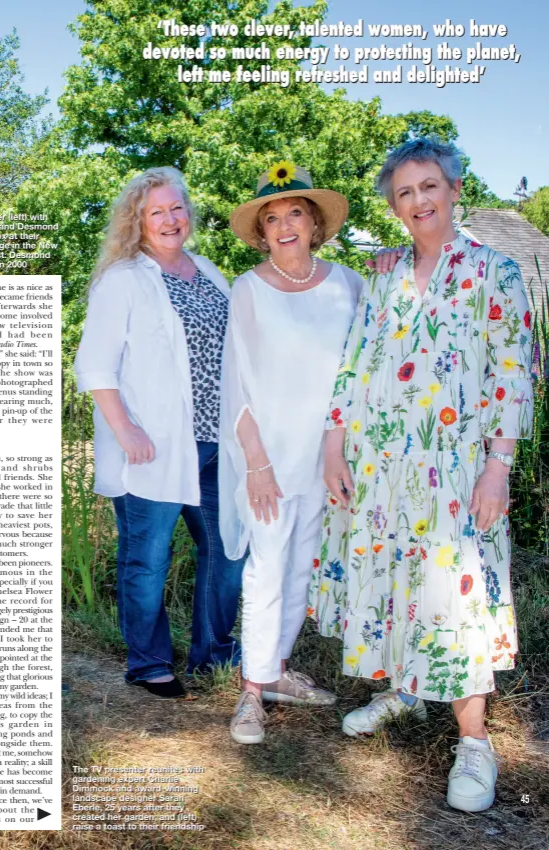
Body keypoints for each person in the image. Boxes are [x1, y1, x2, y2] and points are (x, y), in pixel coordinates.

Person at [309, 137, 534, 812]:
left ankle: (473, 742)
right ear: (395, 205)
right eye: (404, 192)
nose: (418, 202)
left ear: (455, 189)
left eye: (429, 186)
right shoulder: (383, 274)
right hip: (382, 465)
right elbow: (354, 362)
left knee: (457, 594)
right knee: (395, 578)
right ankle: (404, 691)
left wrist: (499, 467)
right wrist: (333, 447)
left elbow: (513, 375)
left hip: (460, 469)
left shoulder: (495, 272)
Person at [74, 167, 243, 698]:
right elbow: (95, 366)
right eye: (157, 212)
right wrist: (126, 431)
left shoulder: (212, 273)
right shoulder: (123, 279)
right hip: (154, 445)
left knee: (228, 551)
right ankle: (148, 662)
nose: (170, 219)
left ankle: (211, 653)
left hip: (220, 441)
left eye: (177, 208)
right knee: (147, 559)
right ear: (138, 222)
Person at [220, 162, 366, 744]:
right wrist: (255, 462)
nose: (284, 226)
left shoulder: (348, 283)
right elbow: (237, 383)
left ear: (314, 223)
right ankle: (251, 693)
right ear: (261, 231)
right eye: (272, 218)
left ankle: (275, 670)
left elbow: (360, 367)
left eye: (295, 213)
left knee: (302, 565)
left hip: (329, 455)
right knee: (267, 568)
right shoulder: (248, 289)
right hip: (270, 459)